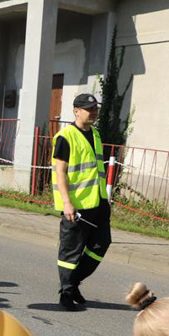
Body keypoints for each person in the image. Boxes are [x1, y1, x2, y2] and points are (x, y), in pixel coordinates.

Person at [51, 94, 111, 311]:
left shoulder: (95, 134)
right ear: (76, 111)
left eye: (95, 109)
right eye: (89, 109)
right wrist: (67, 202)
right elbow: (60, 173)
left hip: (98, 202)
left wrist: (104, 200)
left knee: (101, 244)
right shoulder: (65, 136)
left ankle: (74, 282)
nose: (93, 112)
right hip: (76, 206)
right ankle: (65, 294)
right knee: (71, 252)